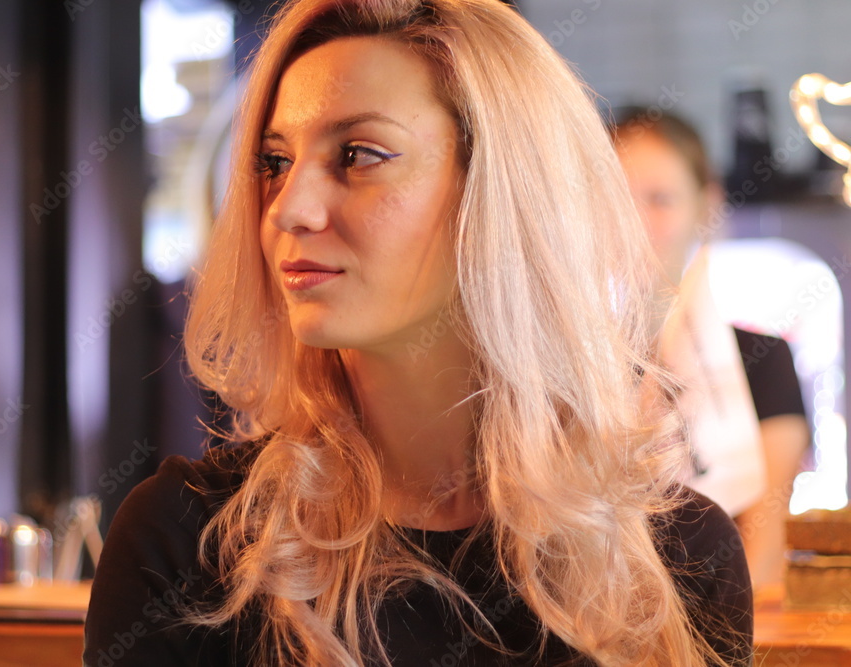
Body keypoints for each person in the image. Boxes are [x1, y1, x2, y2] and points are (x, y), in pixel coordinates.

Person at [84, 1, 752, 664]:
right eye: (275, 161)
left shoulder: (678, 559)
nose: (289, 208)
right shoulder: (187, 544)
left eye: (358, 155)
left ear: (500, 190)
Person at [612, 108, 810, 593]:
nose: (634, 222)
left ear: (706, 205)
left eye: (660, 199)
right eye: (614, 198)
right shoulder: (557, 366)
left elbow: (762, 557)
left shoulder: (762, 362)